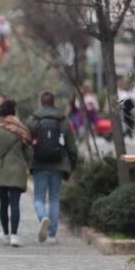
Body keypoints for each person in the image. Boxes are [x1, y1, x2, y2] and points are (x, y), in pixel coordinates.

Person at [26, 91, 77, 244]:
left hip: (39, 164)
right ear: (54, 102)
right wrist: (71, 166)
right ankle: (52, 234)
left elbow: (25, 143)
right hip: (58, 164)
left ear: (40, 102)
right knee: (54, 199)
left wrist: (28, 162)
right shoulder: (63, 120)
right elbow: (71, 147)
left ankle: (43, 217)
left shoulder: (32, 120)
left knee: (39, 198)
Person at [0, 99, 32, 247]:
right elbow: (29, 153)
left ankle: (5, 234)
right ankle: (14, 235)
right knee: (15, 204)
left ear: (1, 115)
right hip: (17, 171)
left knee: (3, 204)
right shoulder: (22, 130)